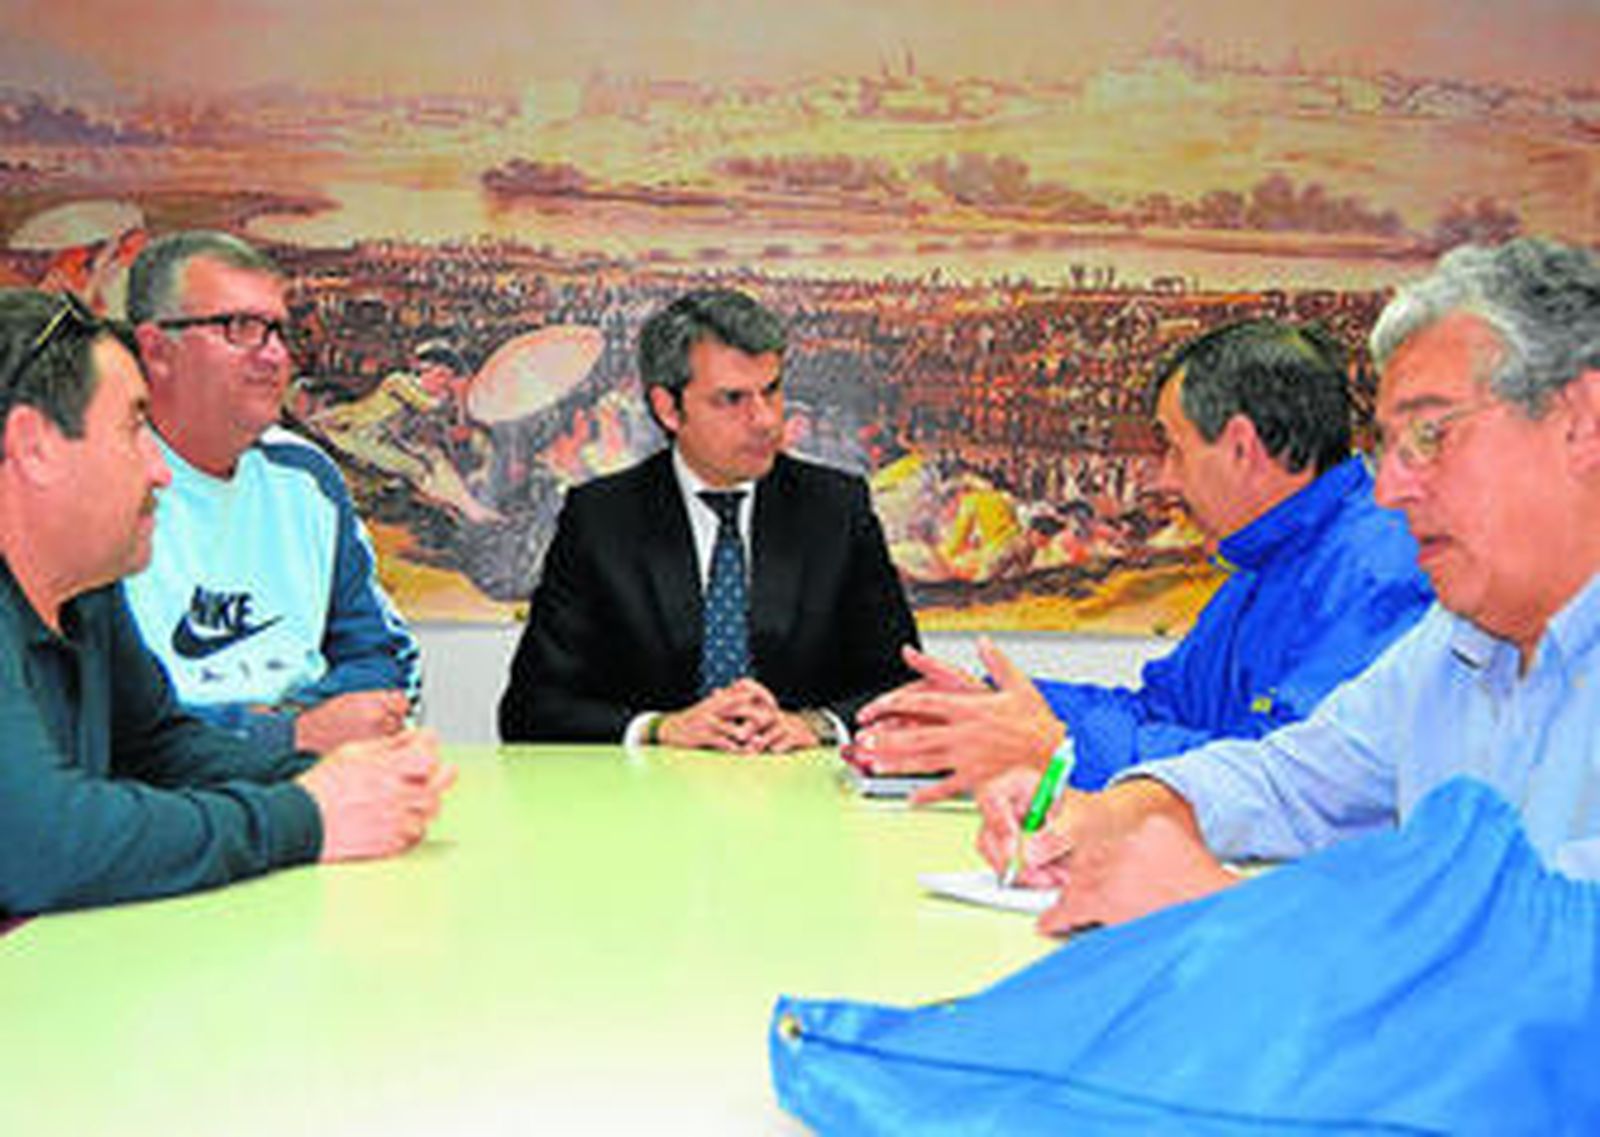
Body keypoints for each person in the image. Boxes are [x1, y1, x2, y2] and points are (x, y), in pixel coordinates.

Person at [977, 236, 1600, 934]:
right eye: (1389, 448)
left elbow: (1555, 944)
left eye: (1430, 435)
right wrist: (1104, 817)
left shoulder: (1409, 590)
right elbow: (1288, 780)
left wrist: (1224, 903)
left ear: (1582, 423)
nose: (1390, 490)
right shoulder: (1454, 644)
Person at [0, 288, 453, 915]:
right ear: (34, 446)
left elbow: (159, 751)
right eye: (135, 427)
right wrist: (308, 816)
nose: (159, 470)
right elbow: (38, 845)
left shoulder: (87, 595)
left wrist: (341, 777)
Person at [855, 319, 1432, 799]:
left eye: (1173, 450)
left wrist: (1055, 745)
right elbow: (1159, 714)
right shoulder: (1260, 567)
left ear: (1240, 446)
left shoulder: (1380, 569)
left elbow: (1294, 784)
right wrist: (995, 703)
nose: (1164, 480)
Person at [499, 288, 918, 750]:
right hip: (650, 804)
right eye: (732, 398)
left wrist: (812, 725)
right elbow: (531, 708)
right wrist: (661, 728)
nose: (764, 420)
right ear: (667, 408)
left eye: (772, 391)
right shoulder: (601, 519)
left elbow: (903, 689)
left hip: (802, 796)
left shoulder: (836, 509)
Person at [121, 231, 420, 754]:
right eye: (242, 328)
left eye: (279, 331)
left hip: (313, 781)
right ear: (156, 349)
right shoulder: (93, 482)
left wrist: (303, 723)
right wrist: (279, 734)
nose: (276, 355)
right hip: (162, 799)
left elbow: (381, 658)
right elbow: (89, 718)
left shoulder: (306, 476)